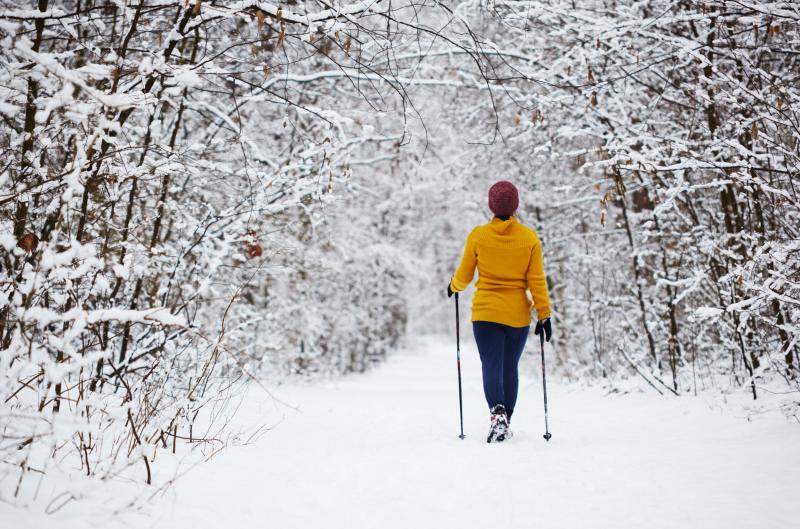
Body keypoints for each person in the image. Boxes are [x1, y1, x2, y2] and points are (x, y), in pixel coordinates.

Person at [447, 180, 552, 443]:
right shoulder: (529, 238)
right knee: (510, 367)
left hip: (486, 313)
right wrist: (544, 313)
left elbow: (464, 275)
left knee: (491, 364)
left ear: (490, 205)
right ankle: (507, 418)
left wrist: (453, 286)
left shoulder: (479, 236)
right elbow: (536, 280)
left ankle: (498, 414)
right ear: (516, 205)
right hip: (517, 316)